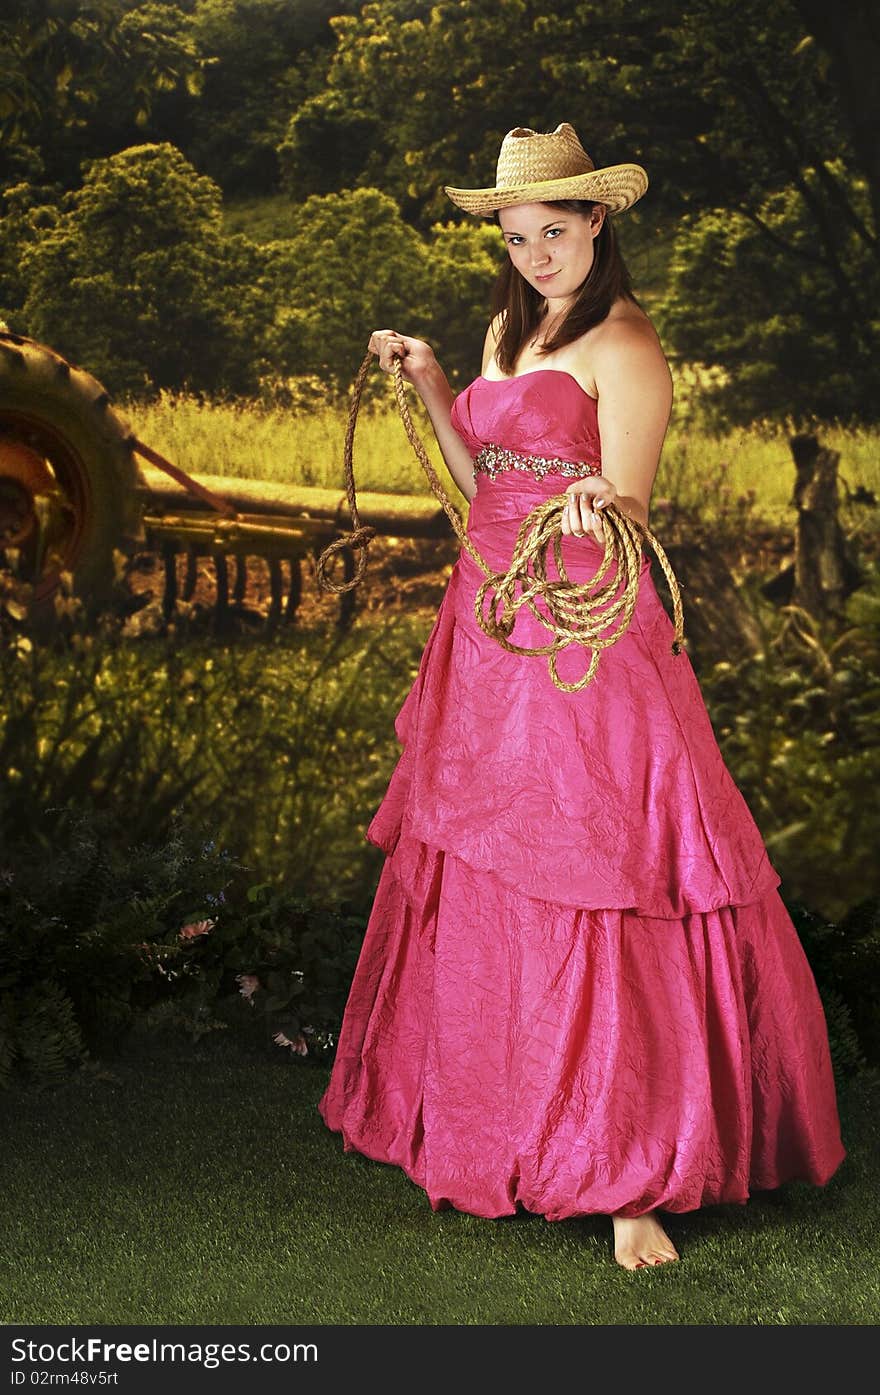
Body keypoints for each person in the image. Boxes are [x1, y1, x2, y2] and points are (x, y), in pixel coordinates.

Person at [317, 123, 846, 1271]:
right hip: (489, 628)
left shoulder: (626, 342)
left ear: (597, 222)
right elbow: (482, 488)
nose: (533, 254)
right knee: (492, 863)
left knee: (603, 862)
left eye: (551, 233)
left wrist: (592, 507)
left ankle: (629, 1176)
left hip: (582, 636)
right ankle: (493, 1119)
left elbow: (635, 504)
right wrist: (433, 382)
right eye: (514, 238)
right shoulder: (513, 327)